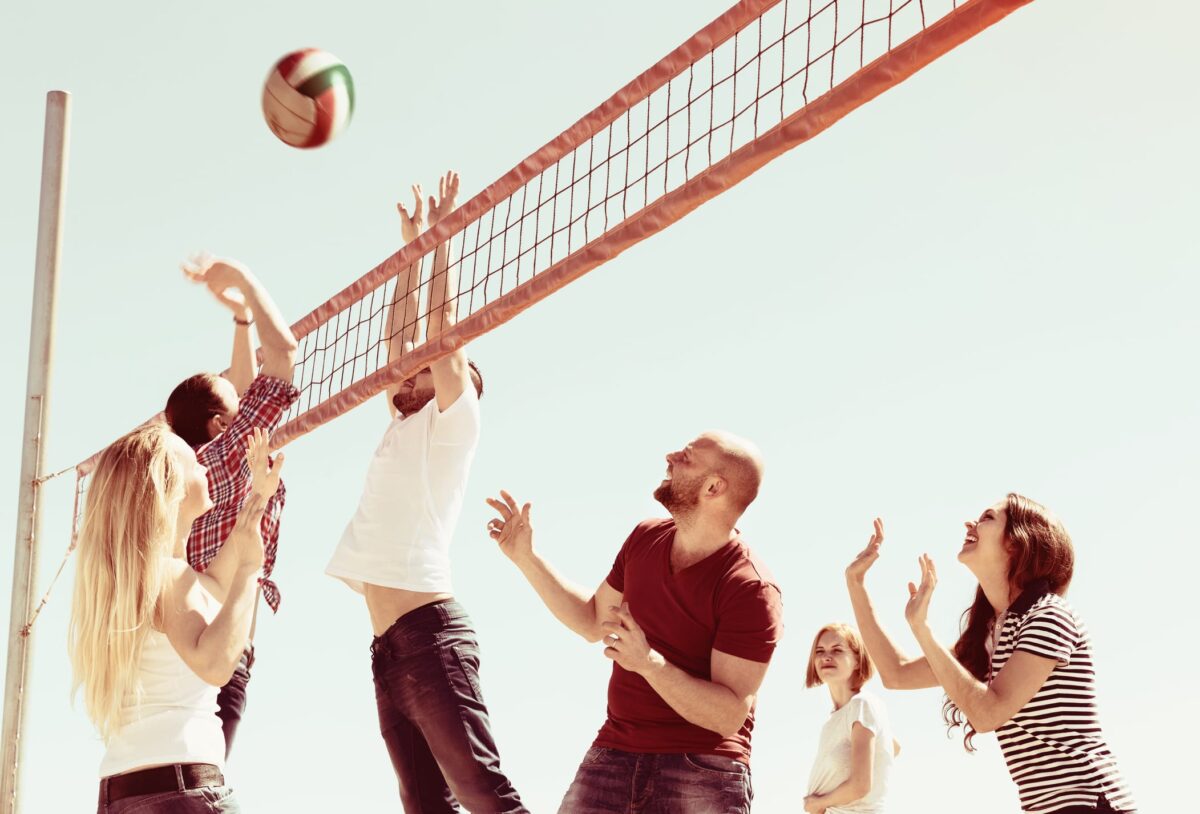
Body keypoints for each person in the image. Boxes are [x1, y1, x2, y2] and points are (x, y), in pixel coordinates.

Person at [326, 171, 527, 813]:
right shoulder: (403, 422)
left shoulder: (454, 425)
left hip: (429, 636)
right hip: (388, 648)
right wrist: (410, 249)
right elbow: (399, 339)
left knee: (486, 795)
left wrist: (443, 240)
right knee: (425, 807)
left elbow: (444, 336)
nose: (413, 369)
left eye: (434, 369)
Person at [487, 430, 784, 814]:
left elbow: (728, 716)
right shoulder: (645, 537)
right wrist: (526, 558)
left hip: (702, 770)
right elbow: (594, 621)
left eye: (686, 457)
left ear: (713, 487)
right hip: (614, 754)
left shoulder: (750, 588)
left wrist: (649, 664)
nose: (670, 457)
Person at [845, 499, 1137, 813]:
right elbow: (897, 673)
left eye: (987, 517)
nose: (970, 524)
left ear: (1017, 543)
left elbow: (988, 714)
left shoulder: (1048, 615)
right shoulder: (990, 633)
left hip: (1088, 801)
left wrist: (922, 629)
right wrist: (855, 582)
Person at [69, 423, 279, 813]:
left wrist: (258, 498)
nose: (205, 466)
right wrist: (251, 568)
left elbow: (216, 584)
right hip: (181, 790)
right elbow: (215, 665)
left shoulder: (148, 579)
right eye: (195, 462)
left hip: (123, 795)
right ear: (171, 488)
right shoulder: (169, 576)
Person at [164, 254, 299, 758]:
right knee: (204, 781)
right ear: (222, 424)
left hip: (178, 649)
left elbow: (236, 392)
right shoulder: (229, 452)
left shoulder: (179, 469)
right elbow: (282, 353)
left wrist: (241, 318)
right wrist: (244, 277)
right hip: (222, 655)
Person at [803, 623, 898, 814]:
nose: (826, 656)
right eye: (820, 651)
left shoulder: (862, 705)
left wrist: (818, 803)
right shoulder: (838, 717)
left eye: (837, 650)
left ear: (857, 660)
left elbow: (860, 785)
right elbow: (894, 746)